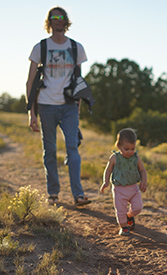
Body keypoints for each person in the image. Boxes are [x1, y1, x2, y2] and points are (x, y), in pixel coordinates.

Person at [26, 6, 91, 207]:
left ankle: (78, 195)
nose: (58, 20)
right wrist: (31, 112)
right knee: (50, 150)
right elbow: (30, 81)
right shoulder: (40, 47)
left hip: (69, 106)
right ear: (49, 21)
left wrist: (78, 106)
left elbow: (79, 80)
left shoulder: (76, 47)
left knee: (73, 147)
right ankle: (53, 193)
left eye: (61, 17)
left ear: (66, 21)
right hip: (45, 105)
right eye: (54, 17)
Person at [100, 128, 147, 236]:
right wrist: (105, 181)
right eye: (126, 149)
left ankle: (129, 216)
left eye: (132, 148)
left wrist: (144, 181)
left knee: (138, 207)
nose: (130, 151)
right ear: (118, 146)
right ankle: (124, 226)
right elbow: (108, 170)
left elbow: (142, 170)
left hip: (133, 188)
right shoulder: (114, 158)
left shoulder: (136, 157)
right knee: (120, 210)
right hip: (119, 189)